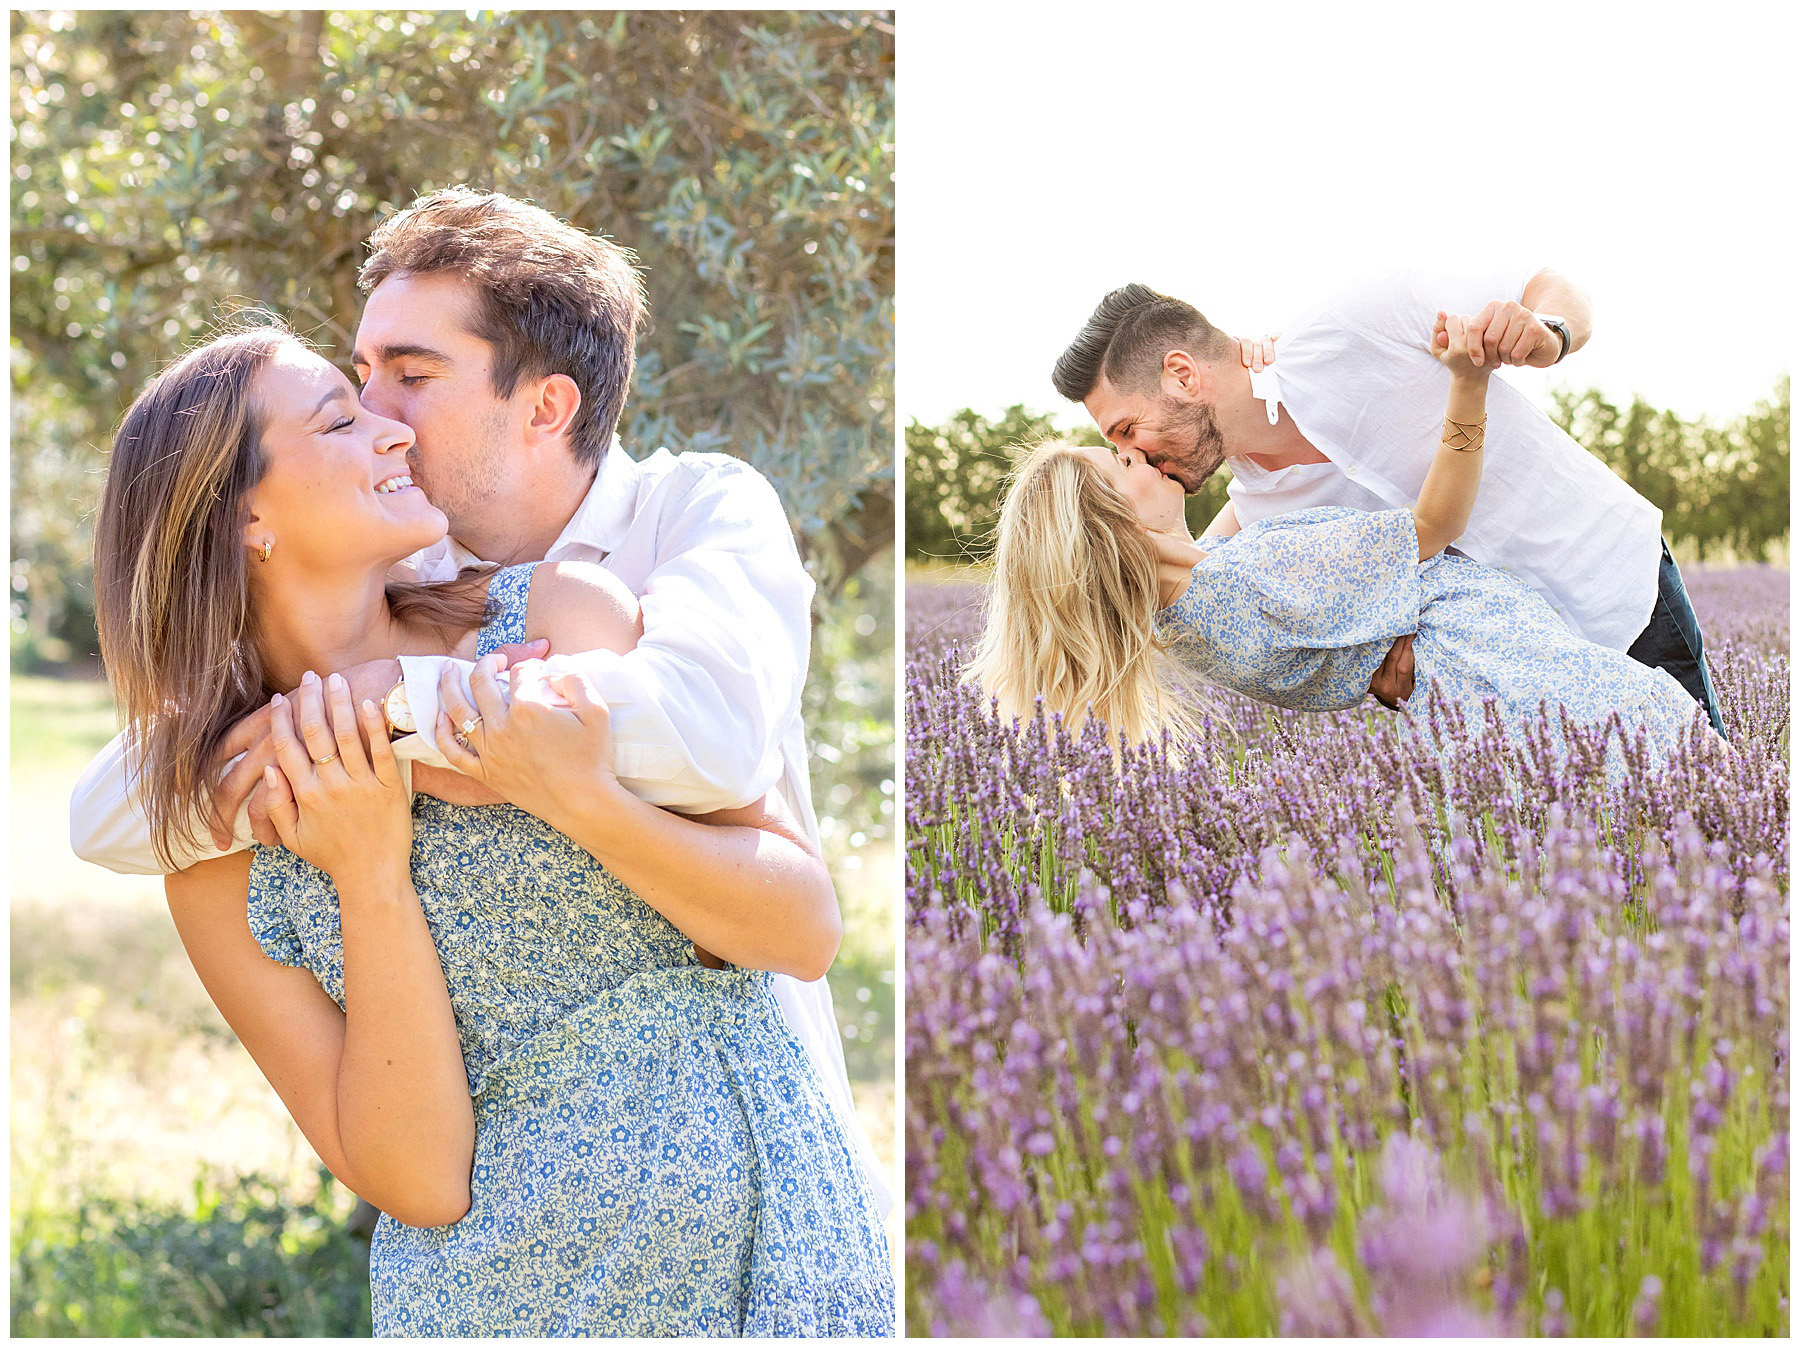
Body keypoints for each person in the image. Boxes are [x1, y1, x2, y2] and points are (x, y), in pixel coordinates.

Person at [67, 188, 887, 1212]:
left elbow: (713, 745)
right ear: (248, 520)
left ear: (544, 407)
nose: (381, 420)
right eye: (359, 383)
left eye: (410, 377)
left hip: (759, 1157)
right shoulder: (407, 567)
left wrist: (406, 702)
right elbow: (104, 813)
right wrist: (348, 741)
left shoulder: (685, 520)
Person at [971, 311, 1717, 776]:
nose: (1148, 457)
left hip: (1490, 737)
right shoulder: (1255, 576)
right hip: (1550, 695)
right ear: (1119, 525)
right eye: (1125, 458)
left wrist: (1254, 379)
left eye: (1129, 437)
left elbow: (1229, 528)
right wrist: (1468, 382)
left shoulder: (1185, 621)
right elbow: (1436, 524)